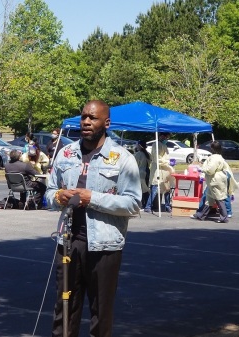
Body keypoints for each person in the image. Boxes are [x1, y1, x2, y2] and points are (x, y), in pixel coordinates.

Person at [45, 100, 141, 337]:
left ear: (106, 123)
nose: (86, 122)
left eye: (93, 118)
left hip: (105, 246)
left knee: (101, 312)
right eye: (84, 116)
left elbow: (133, 203)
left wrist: (92, 198)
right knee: (65, 309)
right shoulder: (66, 153)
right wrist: (59, 196)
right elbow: (48, 194)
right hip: (68, 243)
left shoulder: (121, 158)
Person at [190, 141, 232, 223]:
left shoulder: (214, 158)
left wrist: (201, 169)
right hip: (216, 180)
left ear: (212, 149)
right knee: (209, 199)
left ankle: (224, 217)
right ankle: (201, 215)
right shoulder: (219, 157)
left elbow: (210, 170)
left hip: (215, 180)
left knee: (219, 198)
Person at [144, 132, 174, 213]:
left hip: (164, 170)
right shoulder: (156, 145)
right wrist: (167, 163)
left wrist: (168, 163)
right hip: (158, 169)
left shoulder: (163, 145)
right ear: (161, 136)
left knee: (167, 189)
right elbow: (157, 159)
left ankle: (167, 206)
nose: (166, 139)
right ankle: (148, 206)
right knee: (155, 188)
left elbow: (165, 157)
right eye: (166, 137)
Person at [134, 140, 151, 208]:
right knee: (145, 188)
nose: (136, 146)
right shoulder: (148, 154)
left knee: (141, 189)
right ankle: (146, 203)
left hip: (141, 173)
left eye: (137, 144)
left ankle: (141, 203)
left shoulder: (138, 154)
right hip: (147, 172)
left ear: (140, 146)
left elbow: (134, 163)